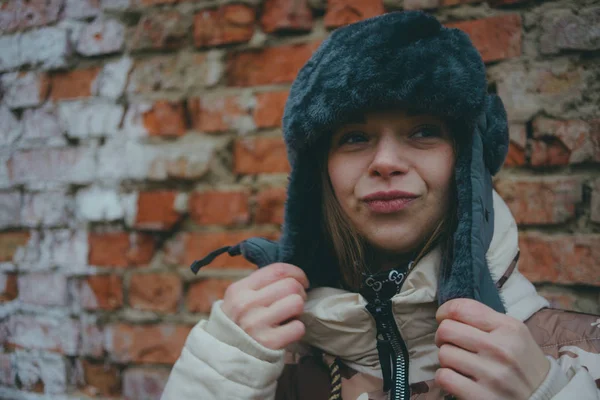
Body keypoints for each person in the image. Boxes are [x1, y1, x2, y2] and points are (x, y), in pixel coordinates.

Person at [161, 10, 600, 400]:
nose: (386, 162)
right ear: (321, 173)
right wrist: (217, 374)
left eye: (423, 130)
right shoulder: (262, 355)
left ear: (466, 160)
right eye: (355, 137)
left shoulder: (579, 356)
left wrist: (547, 393)